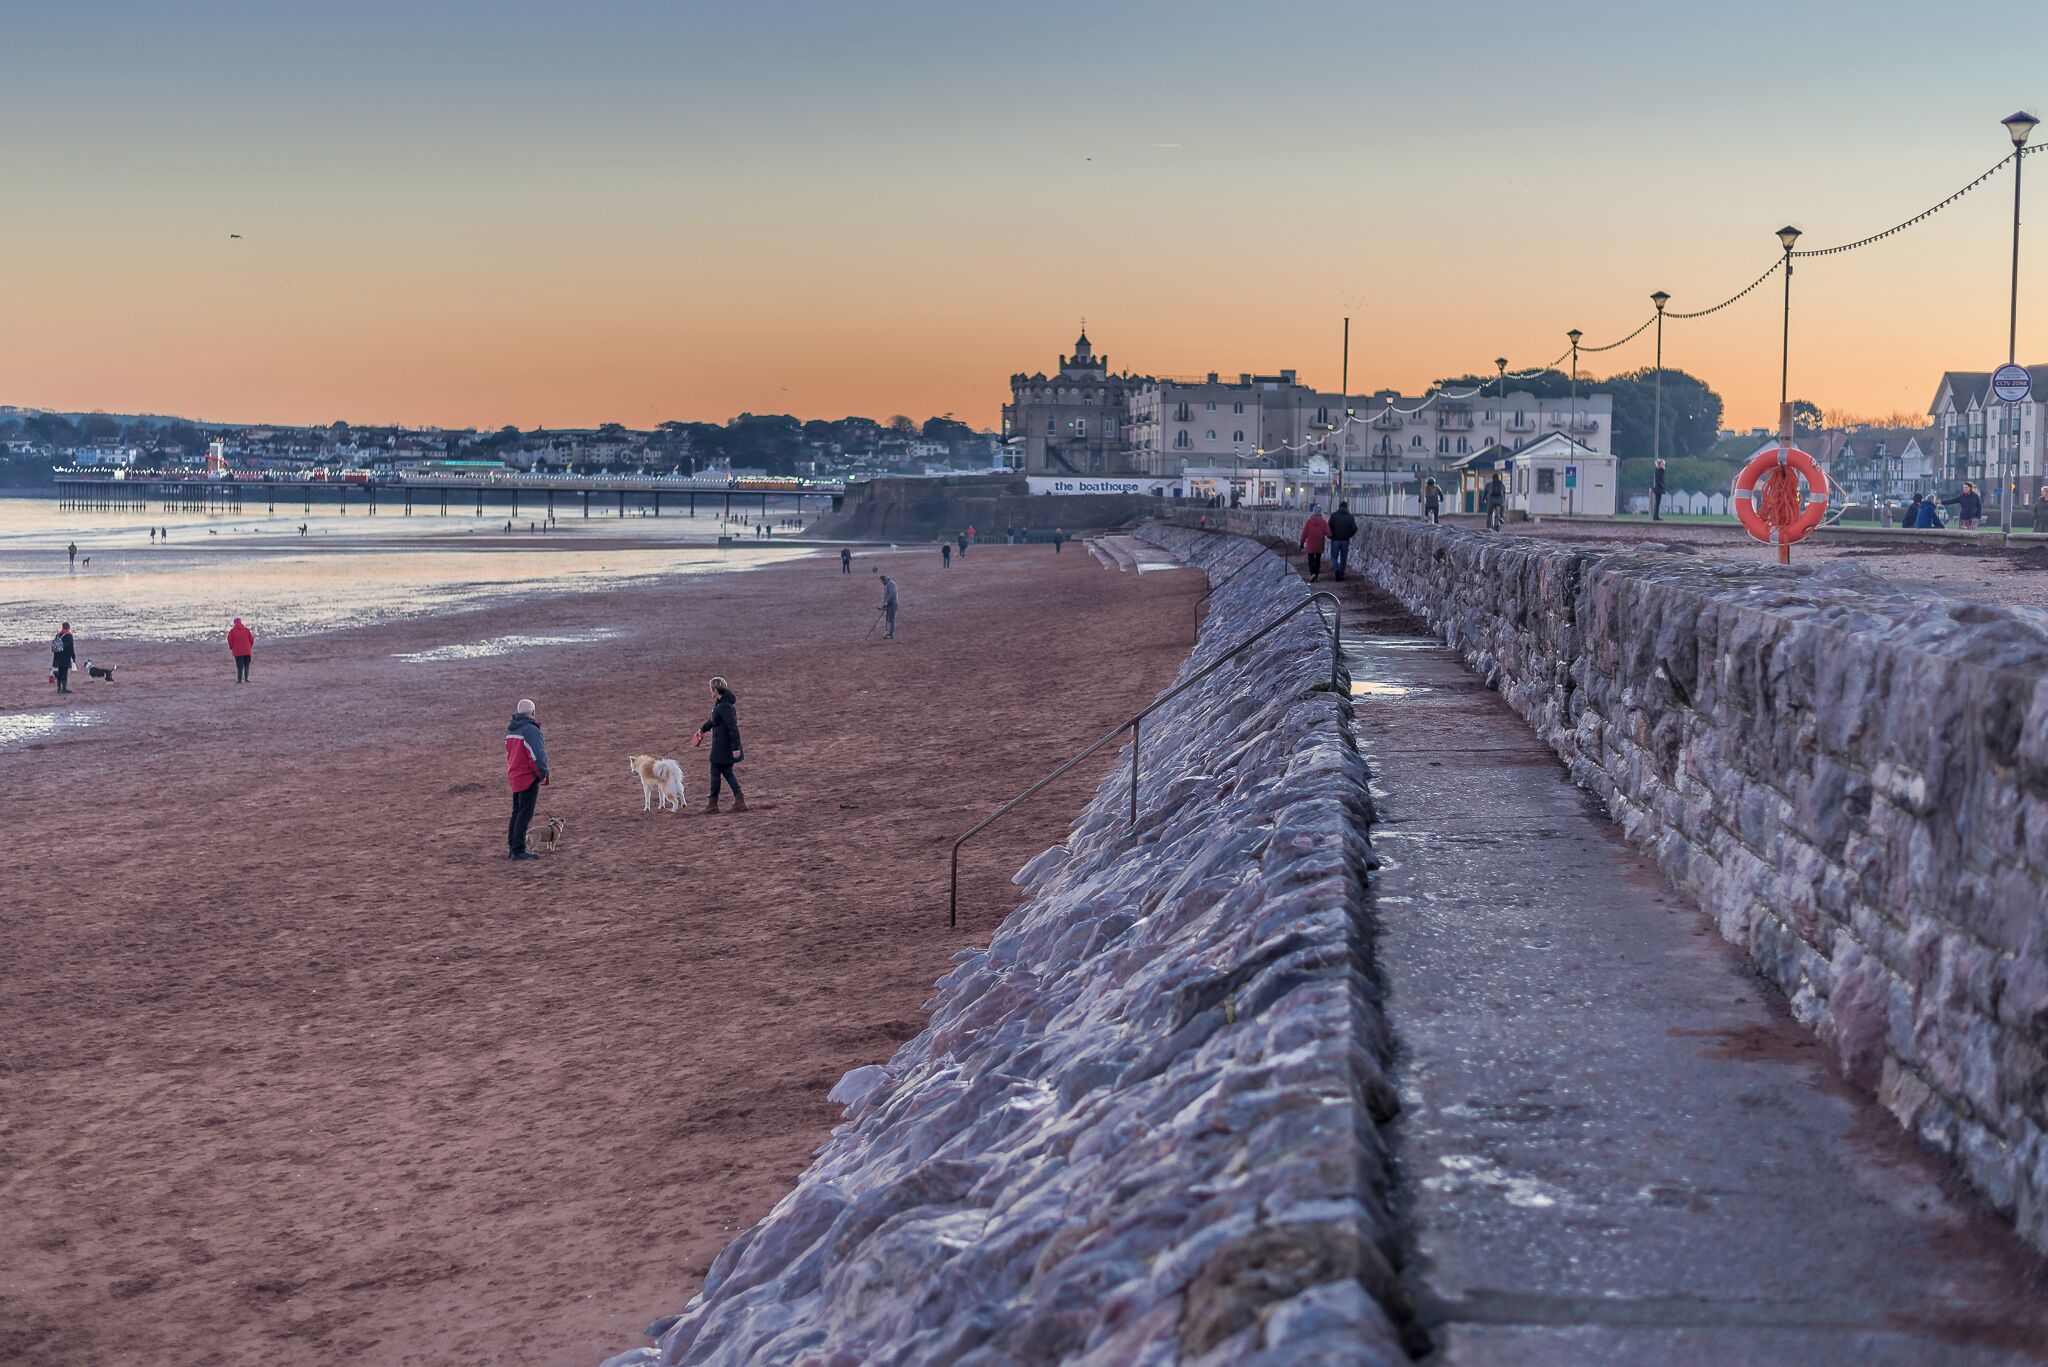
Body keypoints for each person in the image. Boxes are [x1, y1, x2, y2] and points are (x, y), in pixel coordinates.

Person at [505, 699, 550, 860]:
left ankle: (512, 847)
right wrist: (542, 773)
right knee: (524, 814)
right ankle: (518, 850)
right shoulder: (530, 730)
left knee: (517, 812)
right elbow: (536, 755)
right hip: (527, 777)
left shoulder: (511, 729)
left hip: (515, 775)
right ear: (532, 712)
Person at [696, 677, 746, 813]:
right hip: (722, 746)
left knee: (716, 770)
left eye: (711, 689)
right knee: (725, 771)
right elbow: (713, 720)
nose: (710, 692)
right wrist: (702, 729)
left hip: (724, 747)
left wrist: (735, 748)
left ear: (716, 690)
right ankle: (737, 801)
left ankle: (714, 804)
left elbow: (733, 728)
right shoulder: (721, 704)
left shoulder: (724, 706)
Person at [1327, 500, 1357, 580]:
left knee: (1334, 557)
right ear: (1347, 508)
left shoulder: (1333, 516)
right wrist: (1348, 535)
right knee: (1343, 557)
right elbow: (1354, 528)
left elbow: (1328, 527)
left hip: (1335, 539)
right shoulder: (1350, 517)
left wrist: (1331, 536)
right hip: (1345, 540)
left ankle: (1335, 569)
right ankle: (1341, 573)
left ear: (1339, 507)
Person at [1300, 505, 1330, 581]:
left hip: (1310, 543)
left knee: (1310, 559)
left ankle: (1312, 573)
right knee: (1317, 560)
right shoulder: (1323, 522)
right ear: (1321, 512)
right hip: (1319, 543)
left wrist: (1302, 543)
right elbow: (1329, 533)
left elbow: (1304, 533)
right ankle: (1316, 575)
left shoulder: (1309, 521)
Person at [228, 617, 255, 683]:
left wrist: (231, 647)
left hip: (238, 652)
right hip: (247, 651)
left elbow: (230, 640)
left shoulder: (232, 631)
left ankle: (239, 679)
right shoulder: (246, 630)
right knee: (247, 665)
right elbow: (251, 639)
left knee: (240, 666)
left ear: (234, 623)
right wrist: (249, 647)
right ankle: (246, 678)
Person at [51, 622, 77, 694]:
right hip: (66, 657)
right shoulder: (69, 636)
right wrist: (73, 657)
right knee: (64, 673)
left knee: (60, 672)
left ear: (62, 627)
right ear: (68, 627)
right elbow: (71, 648)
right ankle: (64, 688)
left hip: (58, 656)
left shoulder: (58, 635)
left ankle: (59, 689)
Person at [880, 574, 899, 638]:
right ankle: (888, 633)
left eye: (882, 581)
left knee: (891, 619)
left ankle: (890, 634)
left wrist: (886, 602)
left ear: (884, 580)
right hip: (889, 604)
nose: (882, 583)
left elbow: (892, 593)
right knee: (888, 619)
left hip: (892, 604)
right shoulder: (888, 584)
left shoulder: (891, 583)